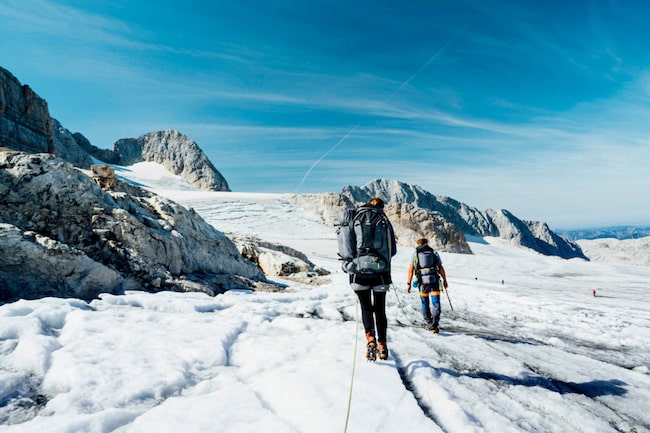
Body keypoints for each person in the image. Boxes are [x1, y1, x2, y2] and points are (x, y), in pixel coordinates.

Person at [349, 197, 397, 361]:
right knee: (380, 309)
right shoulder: (384, 220)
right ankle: (382, 345)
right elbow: (393, 250)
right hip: (381, 273)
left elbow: (348, 247)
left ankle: (370, 339)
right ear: (382, 208)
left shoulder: (355, 218)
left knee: (366, 308)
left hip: (359, 273)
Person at [406, 238, 449, 333]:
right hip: (434, 281)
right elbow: (441, 268)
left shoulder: (416, 254)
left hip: (422, 282)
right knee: (436, 303)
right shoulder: (434, 253)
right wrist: (445, 280)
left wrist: (409, 284)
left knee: (425, 303)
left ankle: (429, 323)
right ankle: (435, 324)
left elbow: (411, 270)